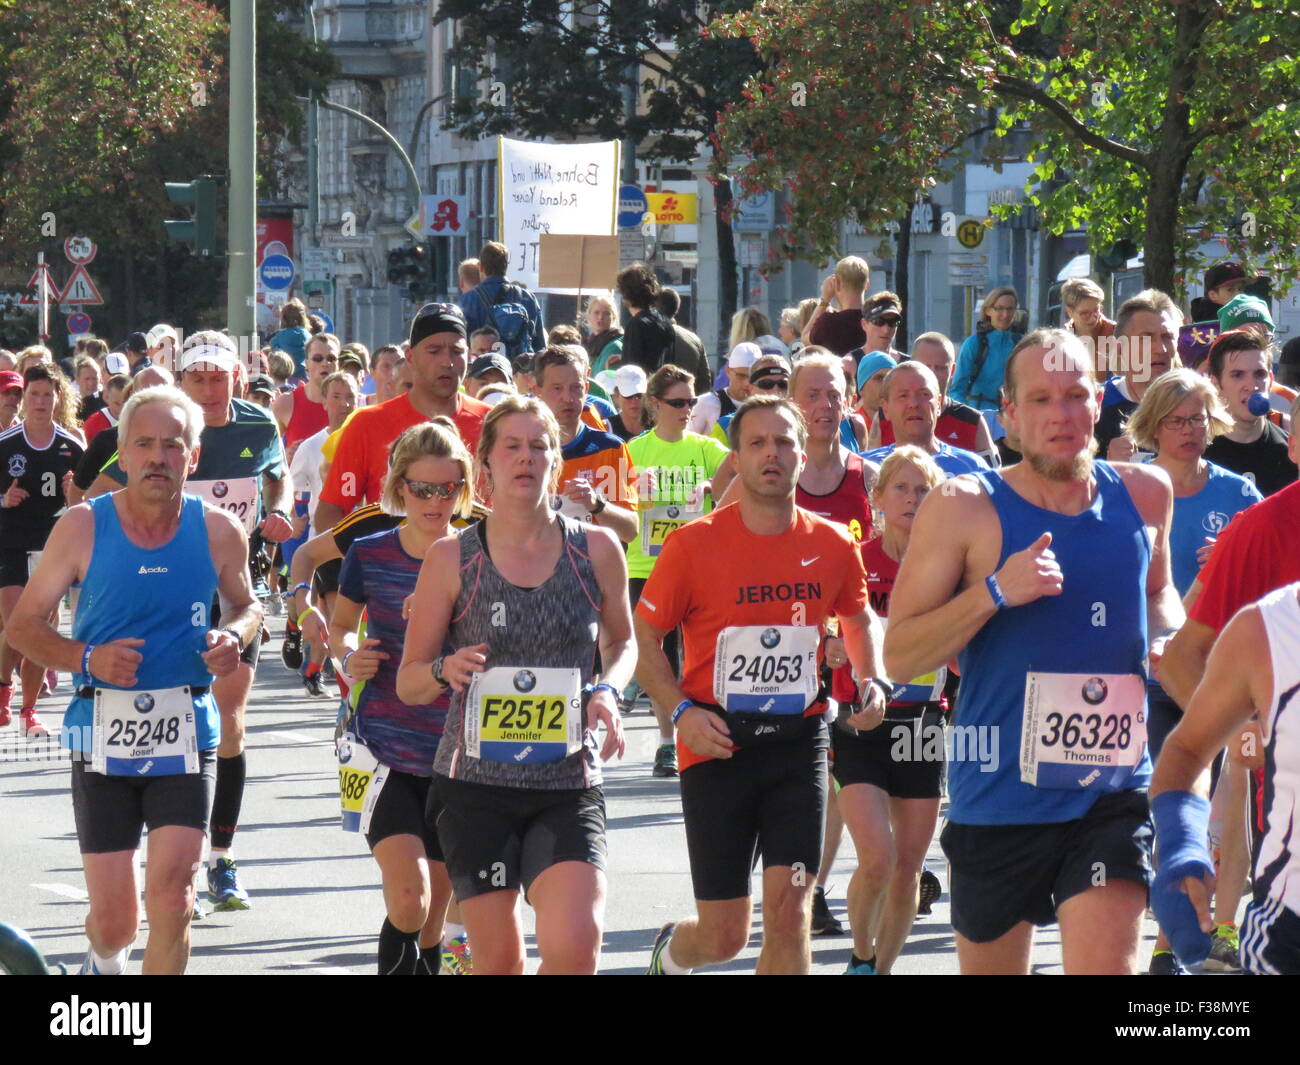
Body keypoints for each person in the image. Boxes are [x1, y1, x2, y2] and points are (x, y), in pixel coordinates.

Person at [885, 328, 1183, 975]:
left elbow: (1160, 596)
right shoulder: (962, 507)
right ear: (1010, 414)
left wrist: (1170, 639)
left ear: (1099, 402)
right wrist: (994, 591)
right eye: (1042, 398)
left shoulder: (1146, 493)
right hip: (998, 797)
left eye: (1076, 395)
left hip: (1110, 791)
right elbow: (899, 655)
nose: (1062, 415)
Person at [7, 384, 259, 974]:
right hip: (102, 734)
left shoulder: (220, 530)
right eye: (143, 444)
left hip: (186, 733)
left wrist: (235, 636)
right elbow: (22, 627)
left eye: (173, 446)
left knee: (175, 900)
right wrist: (88, 660)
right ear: (120, 452)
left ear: (193, 457)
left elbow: (246, 605)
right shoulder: (81, 527)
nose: (158, 457)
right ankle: (102, 962)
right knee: (117, 921)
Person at [637, 395, 888, 975]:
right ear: (737, 457)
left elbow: (855, 619)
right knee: (725, 936)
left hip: (798, 744)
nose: (771, 454)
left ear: (804, 454)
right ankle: (673, 955)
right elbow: (643, 642)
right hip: (715, 743)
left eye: (783, 442)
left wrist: (869, 679)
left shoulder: (831, 543)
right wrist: (680, 715)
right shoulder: (693, 544)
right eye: (756, 443)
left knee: (791, 907)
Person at [396, 395, 632, 974]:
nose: (526, 458)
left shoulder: (596, 549)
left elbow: (622, 643)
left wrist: (608, 691)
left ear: (556, 461)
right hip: (476, 787)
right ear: (487, 468)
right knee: (499, 964)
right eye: (512, 447)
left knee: (576, 950)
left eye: (539, 447)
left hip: (566, 781)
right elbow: (409, 680)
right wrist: (441, 671)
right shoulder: (454, 558)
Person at [86, 331, 294, 912]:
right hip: (162, 600)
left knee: (227, 721)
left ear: (236, 380)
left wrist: (278, 509)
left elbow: (280, 476)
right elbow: (96, 490)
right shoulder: (164, 430)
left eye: (217, 378)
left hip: (229, 599)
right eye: (197, 378)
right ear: (183, 379)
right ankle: (170, 860)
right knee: (164, 719)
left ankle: (220, 858)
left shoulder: (257, 426)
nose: (207, 389)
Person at [1121, 368, 1261, 973]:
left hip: (1229, 678)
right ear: (1152, 427)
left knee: (1234, 800)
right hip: (1154, 679)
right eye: (1176, 420)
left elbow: (1277, 576)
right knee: (1173, 805)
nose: (1190, 431)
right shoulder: (1131, 491)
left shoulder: (1239, 496)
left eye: (1199, 418)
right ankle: (1168, 935)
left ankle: (1224, 928)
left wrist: (1235, 561)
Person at [330, 421, 473, 974]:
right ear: (399, 488)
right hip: (381, 747)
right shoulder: (369, 552)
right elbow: (342, 626)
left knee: (435, 914)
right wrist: (348, 657)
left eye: (449, 489)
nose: (436, 501)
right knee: (408, 898)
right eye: (422, 489)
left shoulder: (479, 551)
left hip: (455, 751)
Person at [831, 446, 947, 973]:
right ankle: (860, 954)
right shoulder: (856, 561)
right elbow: (825, 631)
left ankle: (881, 968)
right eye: (900, 488)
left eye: (923, 490)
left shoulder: (948, 565)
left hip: (924, 724)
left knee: (908, 867)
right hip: (860, 721)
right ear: (876, 499)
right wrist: (831, 648)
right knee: (877, 857)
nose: (912, 499)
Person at [1149, 578, 1300, 974]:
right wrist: (1181, 846)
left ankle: (1226, 926)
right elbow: (1187, 749)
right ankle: (1203, 936)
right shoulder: (1265, 630)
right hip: (1289, 930)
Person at [786, 352, 875, 933]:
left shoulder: (865, 476)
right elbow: (717, 540)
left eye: (833, 394)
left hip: (846, 647)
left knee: (836, 776)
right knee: (793, 776)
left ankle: (812, 886)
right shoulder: (768, 472)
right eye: (812, 395)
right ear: (794, 401)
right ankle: (789, 881)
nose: (824, 406)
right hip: (781, 646)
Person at [626, 364, 733, 777]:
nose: (687, 409)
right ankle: (667, 743)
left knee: (699, 653)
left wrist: (711, 487)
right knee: (660, 656)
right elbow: (616, 504)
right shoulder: (635, 451)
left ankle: (707, 727)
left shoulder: (704, 449)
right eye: (677, 402)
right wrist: (637, 491)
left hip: (698, 565)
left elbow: (739, 470)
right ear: (655, 404)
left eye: (691, 401)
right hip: (647, 563)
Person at [315, 304, 490, 532]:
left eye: (456, 352)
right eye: (434, 351)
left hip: (477, 565)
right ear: (410, 356)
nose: (447, 361)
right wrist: (365, 561)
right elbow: (330, 513)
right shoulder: (367, 424)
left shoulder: (493, 424)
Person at [0, 365, 86, 730]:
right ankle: (4, 688)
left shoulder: (72, 446)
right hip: (10, 544)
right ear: (24, 399)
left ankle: (28, 710)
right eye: (33, 394)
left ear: (58, 398)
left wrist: (74, 494)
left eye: (47, 394)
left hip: (52, 549)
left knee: (41, 630)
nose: (39, 401)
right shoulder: (6, 445)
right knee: (18, 623)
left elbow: (90, 502)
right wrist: (3, 498)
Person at [287, 371, 359, 696]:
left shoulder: (366, 439)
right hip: (326, 538)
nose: (344, 404)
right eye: (337, 397)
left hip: (363, 538)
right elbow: (292, 486)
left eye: (350, 397)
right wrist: (293, 515)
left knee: (354, 615)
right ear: (325, 402)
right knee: (333, 610)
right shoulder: (313, 446)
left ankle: (315, 668)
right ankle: (341, 685)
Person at [532, 346, 638, 542]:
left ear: (586, 388)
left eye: (576, 387)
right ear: (537, 391)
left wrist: (597, 505)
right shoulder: (523, 451)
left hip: (592, 569)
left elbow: (630, 530)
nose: (568, 398)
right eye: (557, 388)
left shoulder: (611, 449)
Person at [873, 332, 997, 464]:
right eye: (925, 366)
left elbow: (991, 475)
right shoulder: (885, 416)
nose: (932, 373)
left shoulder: (972, 420)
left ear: (953, 371)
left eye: (940, 368)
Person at [1203, 328, 1296, 497]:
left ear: (1271, 380)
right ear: (1216, 384)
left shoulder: (1291, 453)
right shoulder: (1198, 453)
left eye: (1259, 374)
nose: (1251, 385)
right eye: (1237, 375)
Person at [862, 361, 990, 480]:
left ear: (939, 404)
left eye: (924, 394)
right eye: (903, 396)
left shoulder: (971, 468)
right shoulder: (864, 469)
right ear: (885, 408)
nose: (913, 403)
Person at [1096, 290, 1181, 461]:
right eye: (1146, 338)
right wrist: (1108, 468)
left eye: (1167, 337)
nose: (1161, 349)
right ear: (1119, 347)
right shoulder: (1095, 408)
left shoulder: (1196, 405)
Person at [458, 241, 545, 359]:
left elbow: (461, 342)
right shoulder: (527, 297)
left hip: (484, 370)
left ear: (481, 267)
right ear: (505, 266)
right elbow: (539, 345)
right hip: (519, 371)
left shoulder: (468, 299)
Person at [949, 287, 1022, 420]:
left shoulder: (1022, 344)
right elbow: (957, 390)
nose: (1005, 314)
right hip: (978, 417)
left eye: (1010, 309)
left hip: (1012, 420)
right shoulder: (974, 344)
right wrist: (965, 417)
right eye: (999, 308)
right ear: (988, 311)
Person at [273, 332, 336, 459]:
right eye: (318, 358)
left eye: (331, 358)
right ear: (306, 364)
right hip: (299, 477)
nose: (325, 363)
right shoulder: (286, 403)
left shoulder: (351, 404)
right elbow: (267, 453)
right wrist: (286, 455)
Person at [803, 257, 872, 355]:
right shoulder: (875, 320)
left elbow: (805, 338)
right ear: (867, 284)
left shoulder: (828, 322)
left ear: (837, 284)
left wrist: (825, 300)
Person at [616, 263, 675, 374]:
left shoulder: (636, 325)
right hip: (662, 387)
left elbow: (630, 371)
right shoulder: (665, 322)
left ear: (625, 295)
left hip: (641, 389)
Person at [690, 342, 755, 437]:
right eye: (741, 376)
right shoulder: (706, 402)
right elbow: (689, 441)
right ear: (728, 371)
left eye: (752, 377)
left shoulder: (764, 407)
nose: (747, 383)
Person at [657, 288, 710, 395]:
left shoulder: (645, 336)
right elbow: (705, 383)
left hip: (657, 405)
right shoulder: (694, 339)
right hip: (688, 404)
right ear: (677, 309)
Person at [1060, 277, 1115, 353]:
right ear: (1069, 312)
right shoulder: (1062, 341)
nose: (1093, 318)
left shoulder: (1119, 334)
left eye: (1096, 310)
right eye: (1085, 314)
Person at [270, 299, 313, 378]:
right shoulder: (309, 336)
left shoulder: (280, 337)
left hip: (285, 376)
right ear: (303, 317)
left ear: (284, 318)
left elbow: (272, 348)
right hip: (304, 377)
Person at [583, 294, 624, 376]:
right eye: (596, 313)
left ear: (613, 317)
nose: (600, 317)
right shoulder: (587, 344)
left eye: (606, 313)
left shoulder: (615, 345)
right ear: (589, 316)